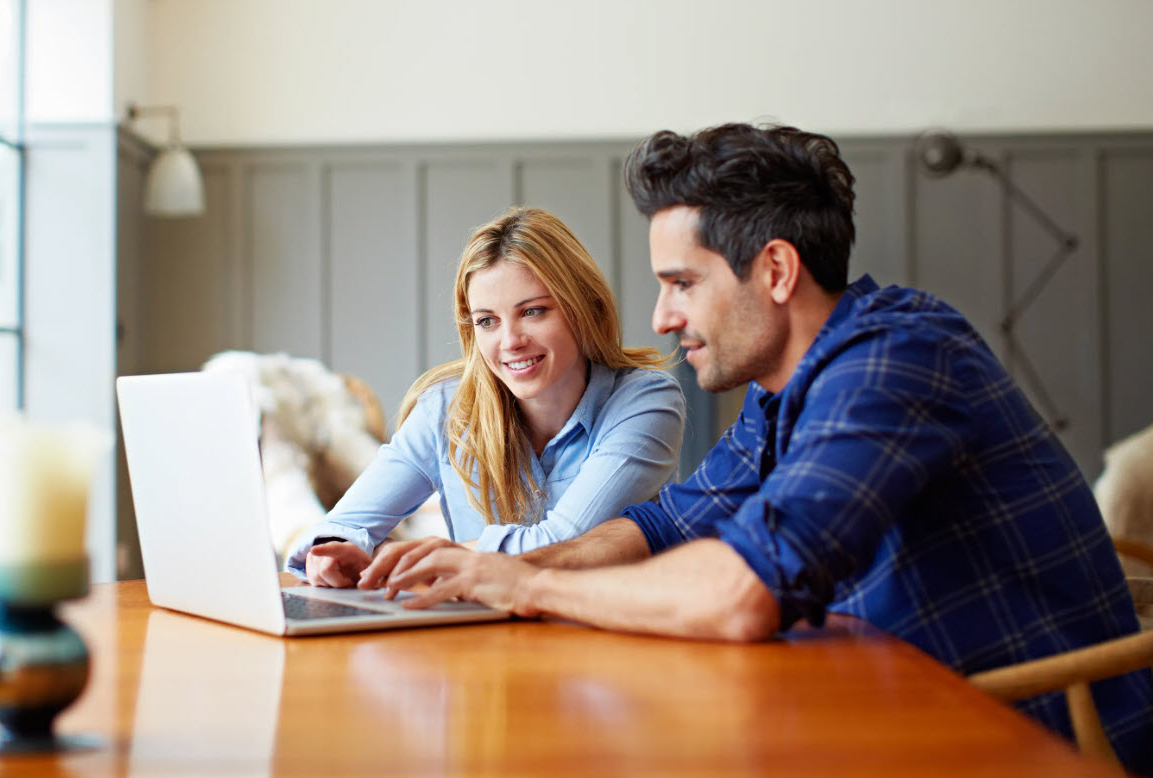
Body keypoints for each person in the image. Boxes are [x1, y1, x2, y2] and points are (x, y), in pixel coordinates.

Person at [382, 124, 1153, 773]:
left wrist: (525, 589)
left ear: (776, 271)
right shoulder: (782, 387)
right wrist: (499, 569)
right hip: (887, 714)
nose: (660, 316)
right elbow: (667, 525)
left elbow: (744, 591)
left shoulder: (896, 361)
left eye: (682, 283)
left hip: (1028, 741)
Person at [285, 206, 685, 588]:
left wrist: (405, 562)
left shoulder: (647, 402)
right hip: (476, 643)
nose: (510, 341)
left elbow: (563, 543)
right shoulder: (445, 409)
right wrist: (330, 552)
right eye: (487, 321)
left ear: (584, 308)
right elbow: (341, 527)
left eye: (533, 311)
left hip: (608, 643)